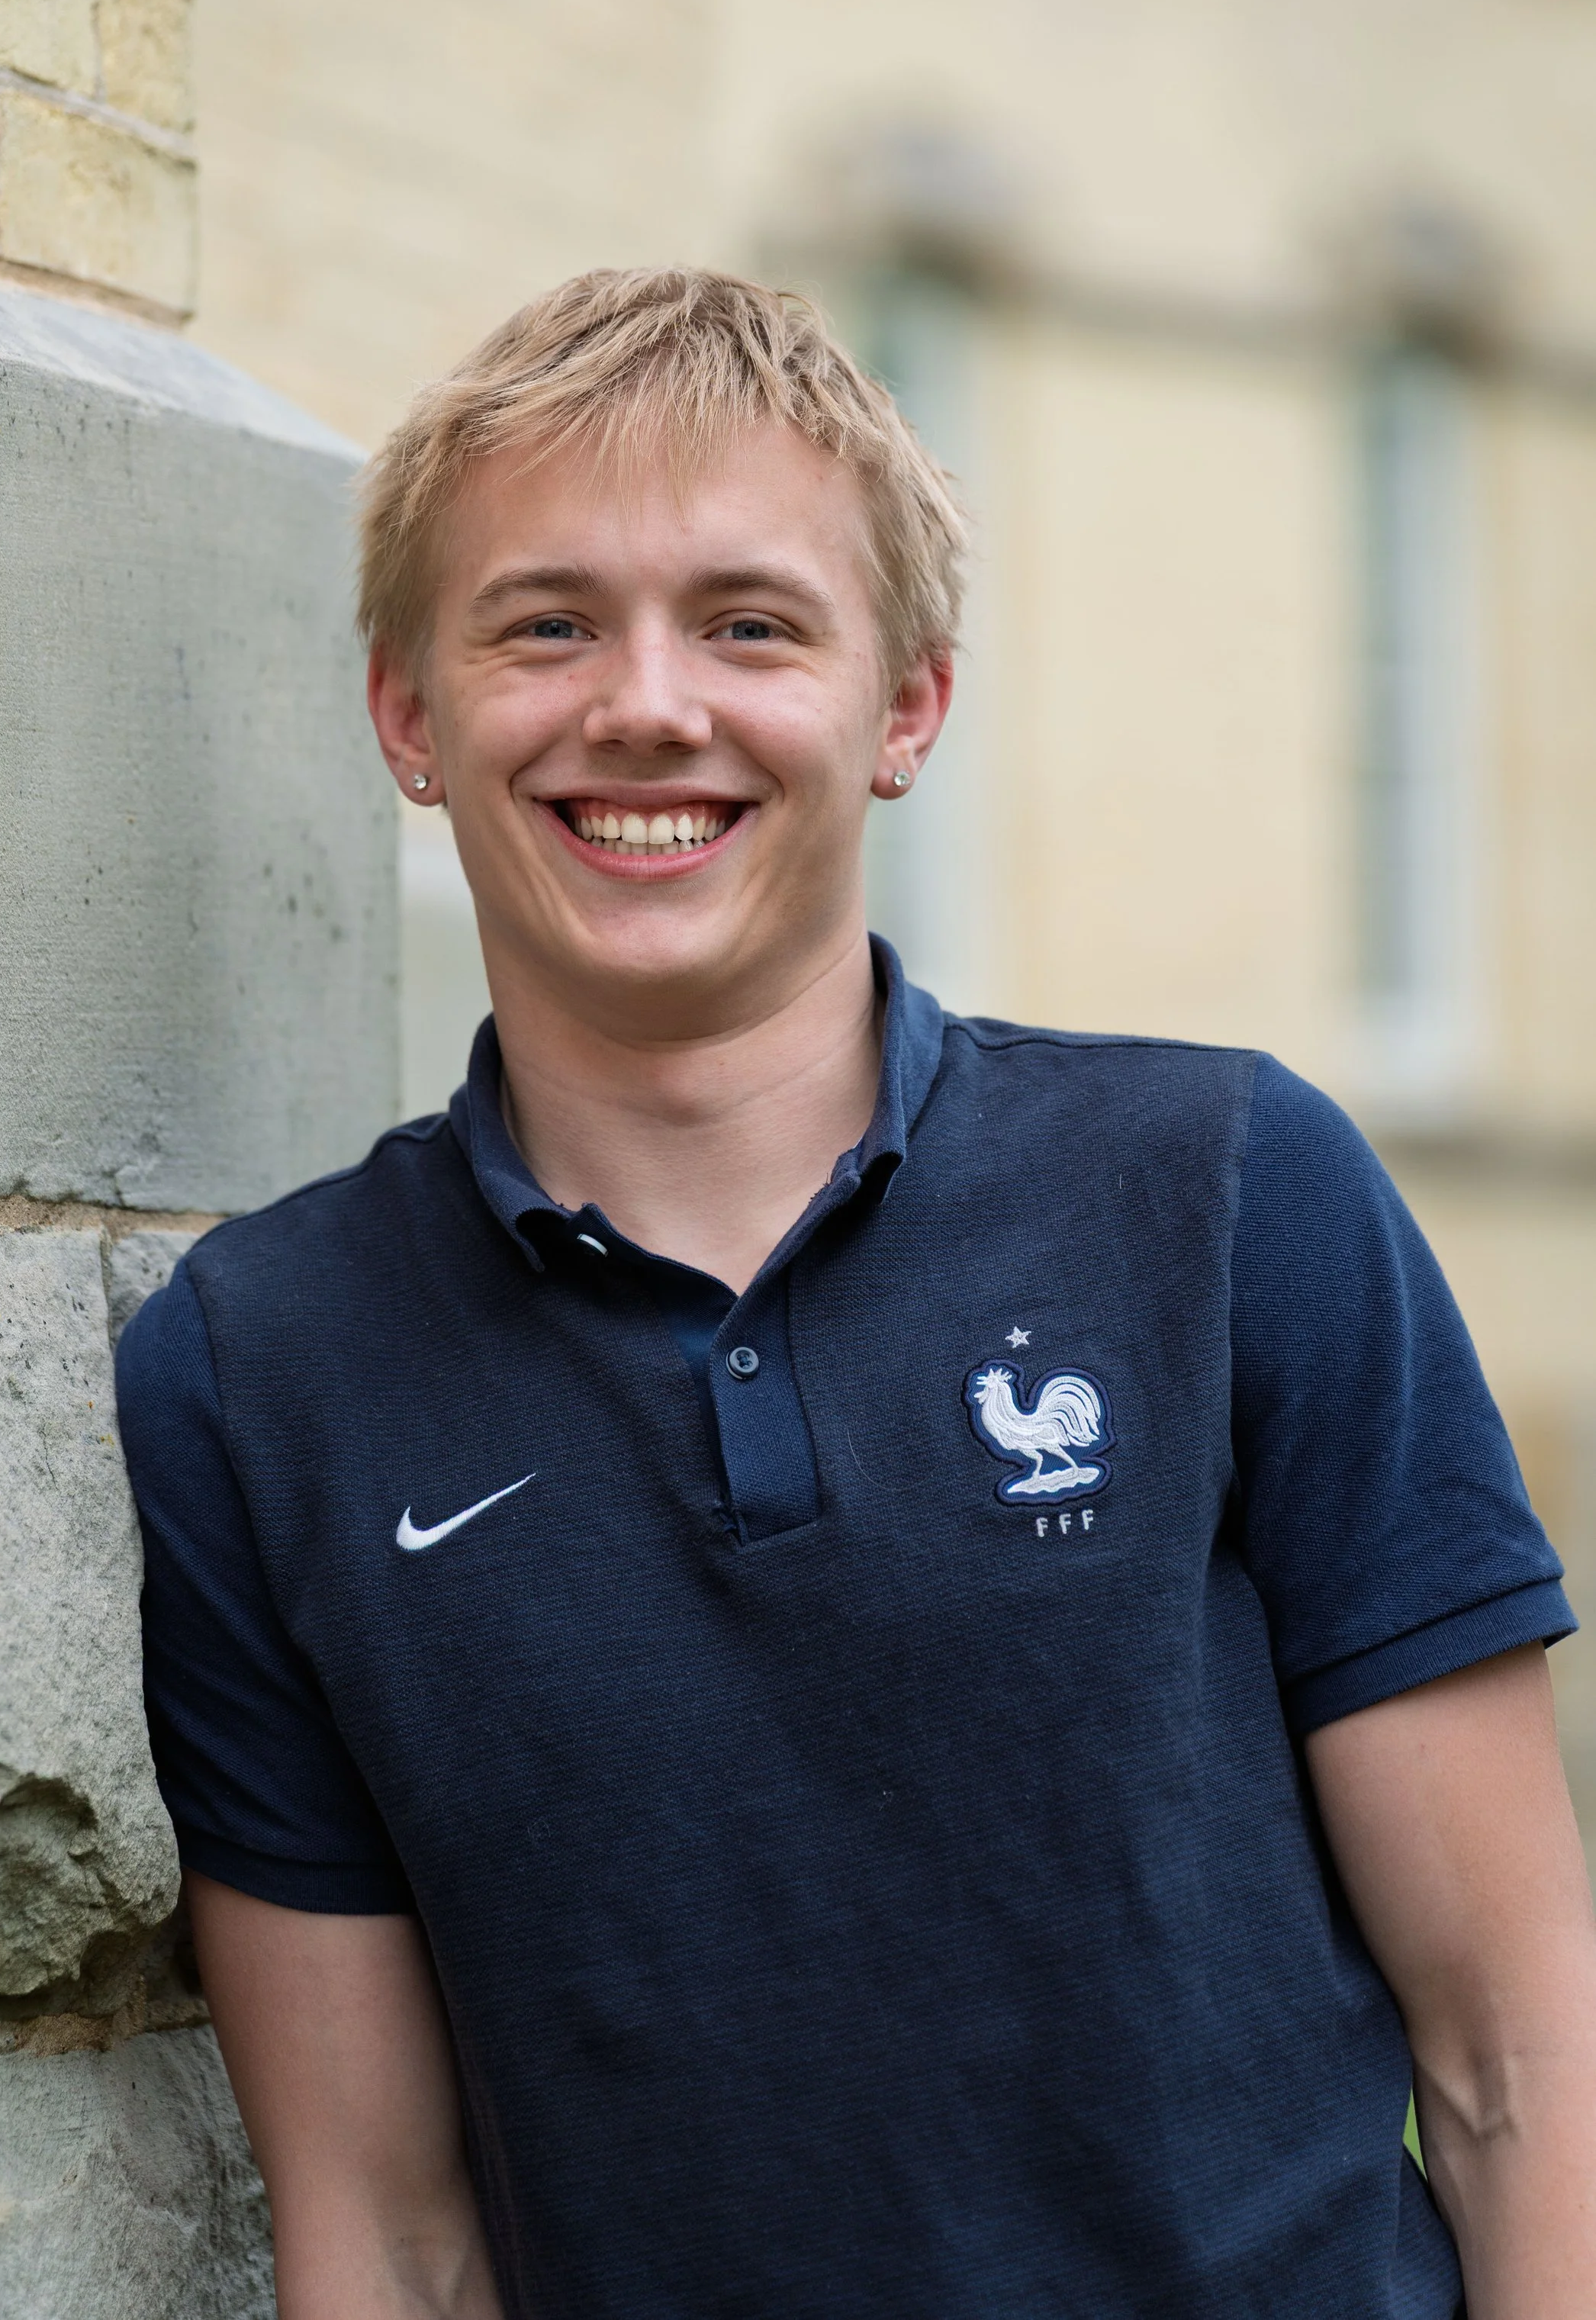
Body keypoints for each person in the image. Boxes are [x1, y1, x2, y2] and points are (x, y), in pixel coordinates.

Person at [117, 267, 1596, 2320]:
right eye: (545, 622)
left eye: (748, 622)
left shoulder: (1229, 1193)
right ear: (407, 714)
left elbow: (1516, 2051)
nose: (646, 702)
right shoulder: (253, 1368)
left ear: (905, 703)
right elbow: (387, 2229)